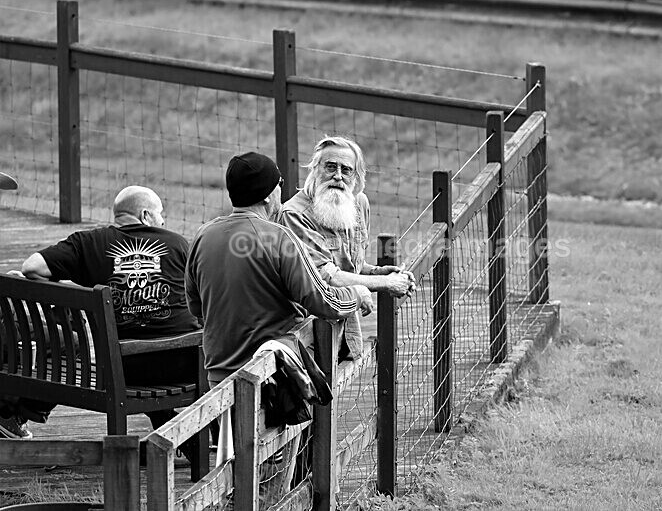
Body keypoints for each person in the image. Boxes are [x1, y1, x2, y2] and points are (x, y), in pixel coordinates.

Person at [0, 185, 202, 441]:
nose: (163, 221)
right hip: (182, 364)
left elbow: (32, 267)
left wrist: (68, 287)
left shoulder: (88, 243)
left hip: (121, 370)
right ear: (146, 215)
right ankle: (206, 436)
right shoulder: (179, 244)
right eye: (160, 214)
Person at [184, 151, 372, 389]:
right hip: (272, 376)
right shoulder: (280, 238)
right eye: (279, 184)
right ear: (267, 195)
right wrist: (357, 294)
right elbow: (323, 301)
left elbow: (195, 306)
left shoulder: (202, 235)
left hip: (218, 375)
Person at [280, 136, 415, 361]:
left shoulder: (358, 203)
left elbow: (351, 264)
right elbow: (326, 278)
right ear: (314, 169)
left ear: (357, 176)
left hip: (346, 329)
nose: (338, 176)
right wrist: (386, 284)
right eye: (330, 167)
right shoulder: (294, 215)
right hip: (305, 339)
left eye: (346, 170)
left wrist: (378, 272)